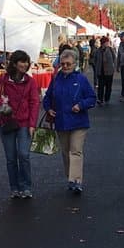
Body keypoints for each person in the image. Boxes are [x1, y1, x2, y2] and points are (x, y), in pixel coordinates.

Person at [43, 49, 97, 194]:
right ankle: (70, 177)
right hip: (61, 121)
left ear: (75, 64)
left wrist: (81, 105)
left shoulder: (81, 79)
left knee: (76, 151)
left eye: (68, 64)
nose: (65, 66)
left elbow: (92, 98)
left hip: (79, 122)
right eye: (63, 64)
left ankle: (76, 180)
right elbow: (47, 97)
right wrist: (48, 109)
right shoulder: (56, 79)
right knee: (66, 152)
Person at [0, 50, 40, 199]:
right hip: (7, 122)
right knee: (11, 158)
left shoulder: (30, 81)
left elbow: (35, 103)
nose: (24, 65)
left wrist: (32, 124)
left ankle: (26, 186)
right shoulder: (3, 79)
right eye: (21, 61)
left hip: (24, 123)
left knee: (24, 155)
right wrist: (2, 104)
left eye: (26, 62)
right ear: (14, 63)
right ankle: (14, 187)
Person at [92, 36, 116, 106]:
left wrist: (114, 67)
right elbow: (95, 60)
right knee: (101, 86)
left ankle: (107, 99)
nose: (108, 43)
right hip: (100, 71)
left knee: (108, 86)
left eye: (108, 42)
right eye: (106, 42)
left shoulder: (111, 50)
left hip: (109, 71)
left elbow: (114, 58)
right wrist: (96, 68)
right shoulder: (97, 51)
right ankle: (100, 99)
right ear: (103, 43)